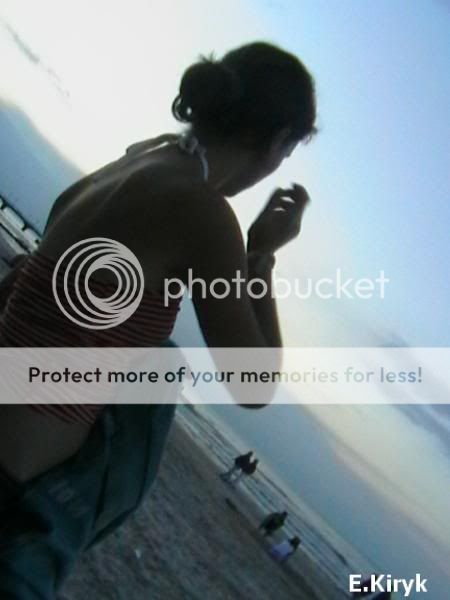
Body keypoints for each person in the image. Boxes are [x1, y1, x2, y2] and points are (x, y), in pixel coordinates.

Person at [0, 40, 317, 595]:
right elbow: (254, 385)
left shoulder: (137, 158)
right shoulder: (202, 210)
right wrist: (259, 258)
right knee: (164, 368)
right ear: (277, 141)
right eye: (286, 152)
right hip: (14, 492)